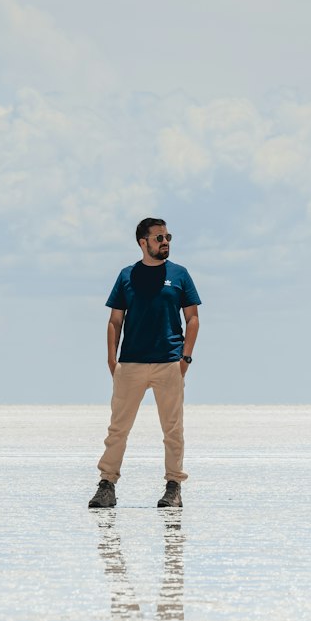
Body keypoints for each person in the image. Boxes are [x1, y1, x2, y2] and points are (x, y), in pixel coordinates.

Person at [89, 218, 201, 510]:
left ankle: (173, 487)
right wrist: (112, 359)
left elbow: (192, 318)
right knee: (118, 428)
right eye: (159, 237)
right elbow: (115, 320)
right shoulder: (127, 275)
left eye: (168, 237)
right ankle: (107, 486)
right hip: (131, 364)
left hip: (169, 364)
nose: (165, 242)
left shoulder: (180, 275)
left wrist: (185, 357)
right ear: (144, 242)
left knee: (173, 429)